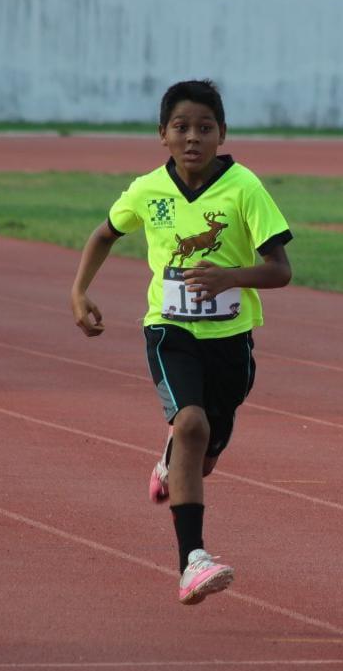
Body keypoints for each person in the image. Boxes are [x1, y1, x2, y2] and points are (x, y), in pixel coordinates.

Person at [70, 79, 293, 605]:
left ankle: (174, 460)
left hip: (231, 338)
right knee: (190, 423)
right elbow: (105, 232)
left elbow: (280, 270)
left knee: (204, 451)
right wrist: (79, 291)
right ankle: (193, 561)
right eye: (181, 127)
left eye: (204, 128)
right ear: (162, 135)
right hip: (168, 329)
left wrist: (229, 277)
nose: (193, 137)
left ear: (222, 134)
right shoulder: (148, 190)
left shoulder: (245, 188)